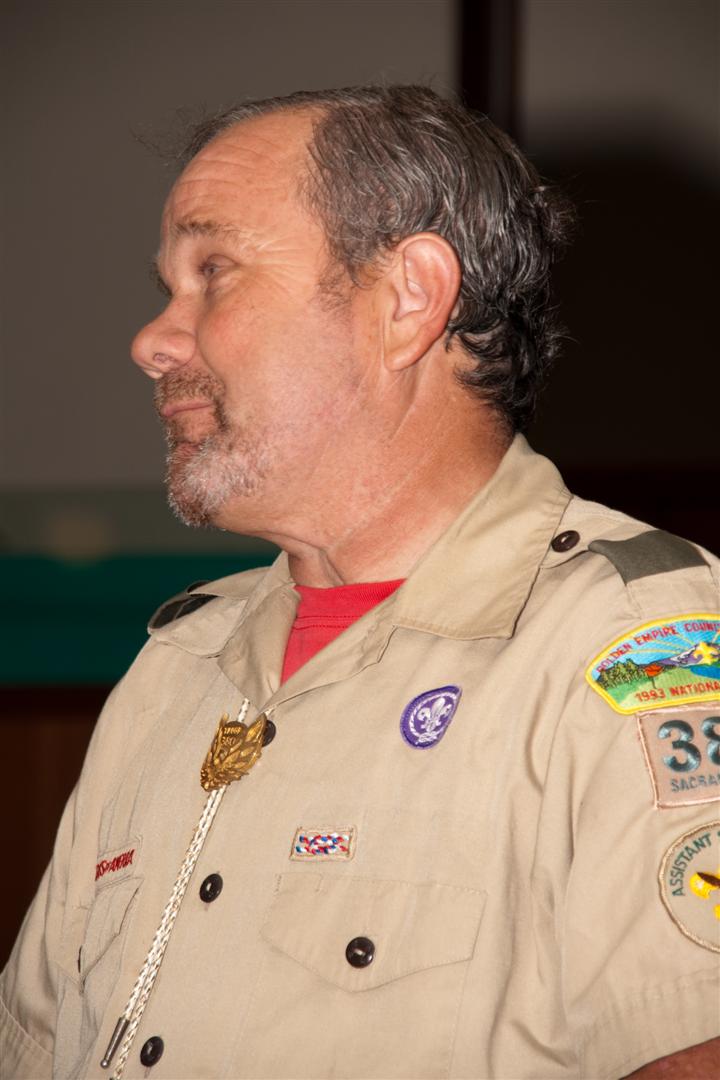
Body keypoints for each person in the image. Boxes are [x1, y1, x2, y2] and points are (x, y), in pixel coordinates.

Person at [1, 85, 718, 1080]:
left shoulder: (642, 642)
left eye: (214, 272)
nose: (152, 339)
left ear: (407, 299)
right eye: (168, 286)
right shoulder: (175, 669)